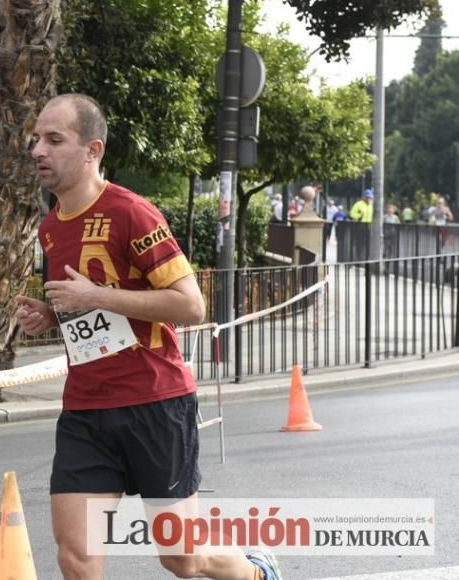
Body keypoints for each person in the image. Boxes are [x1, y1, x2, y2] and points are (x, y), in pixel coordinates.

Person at [14, 94, 282, 580]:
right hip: (85, 410)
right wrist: (53, 319)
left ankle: (255, 570)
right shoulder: (50, 227)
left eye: (54, 140)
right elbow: (88, 308)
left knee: (181, 558)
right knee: (76, 557)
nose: (38, 150)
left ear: (93, 150)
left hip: (155, 403)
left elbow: (191, 305)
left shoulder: (132, 212)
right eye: (36, 138)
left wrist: (97, 296)